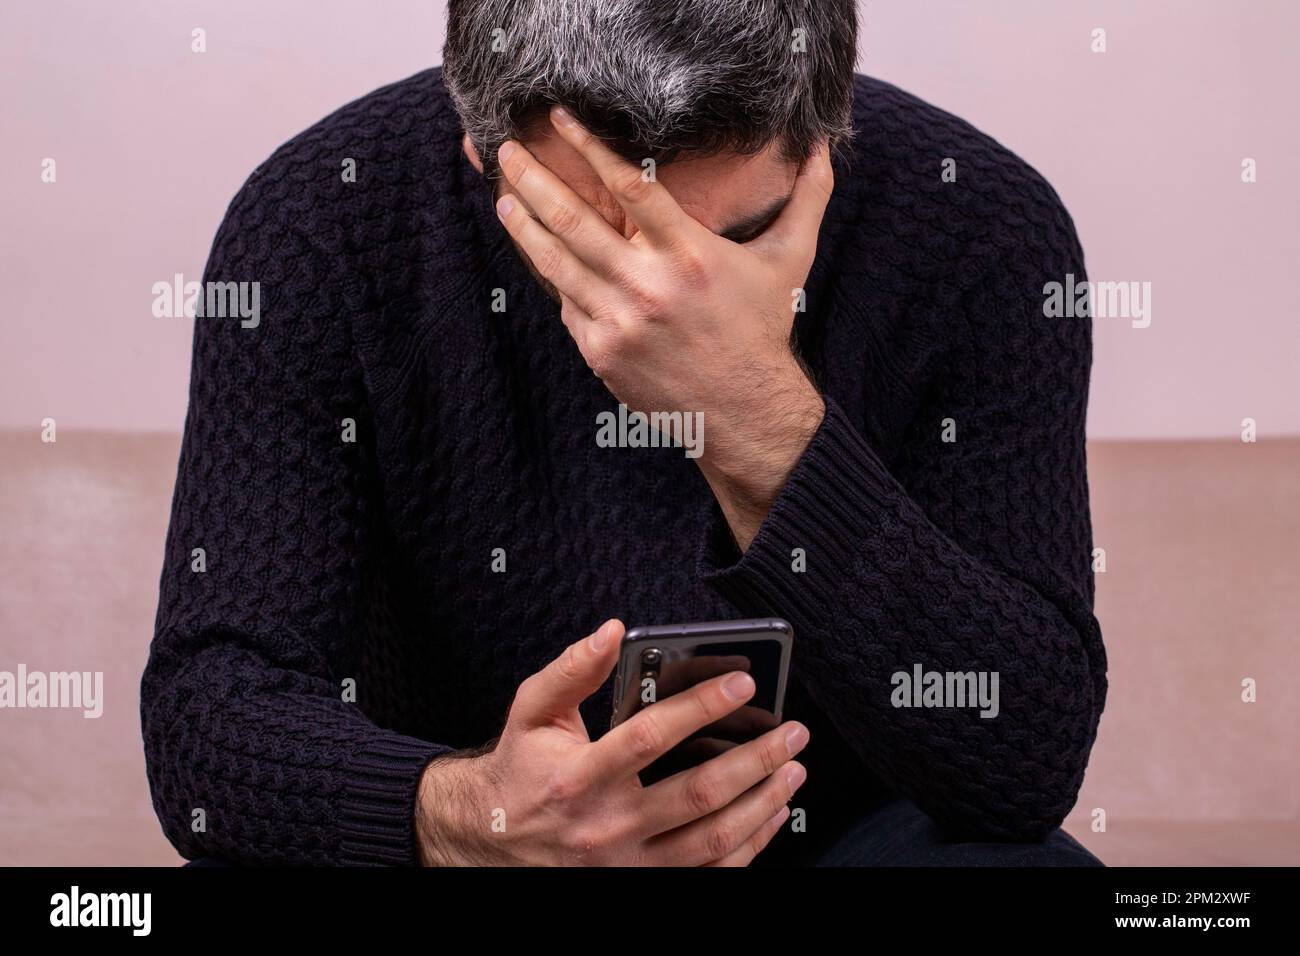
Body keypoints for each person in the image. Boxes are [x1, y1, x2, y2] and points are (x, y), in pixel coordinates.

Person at [142, 0, 1107, 867]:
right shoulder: (323, 218)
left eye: (738, 238)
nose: (664, 295)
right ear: (480, 150)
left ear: (827, 129)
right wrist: (463, 814)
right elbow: (207, 718)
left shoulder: (978, 225)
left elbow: (1022, 758)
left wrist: (751, 413)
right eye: (589, 244)